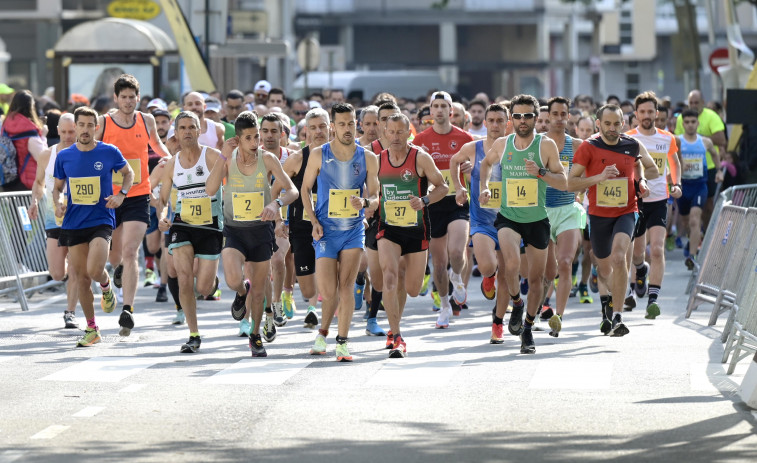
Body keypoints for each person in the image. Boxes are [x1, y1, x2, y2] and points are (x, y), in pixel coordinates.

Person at [478, 94, 566, 354]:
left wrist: (539, 172)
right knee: (512, 264)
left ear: (537, 118)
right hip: (509, 217)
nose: (523, 120)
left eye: (528, 115)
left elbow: (563, 181)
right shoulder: (504, 144)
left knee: (537, 279)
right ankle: (516, 303)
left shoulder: (545, 145)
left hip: (537, 219)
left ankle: (527, 328)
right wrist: (484, 187)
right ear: (511, 119)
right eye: (517, 115)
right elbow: (484, 164)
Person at [206, 111, 297, 357]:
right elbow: (210, 188)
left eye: (257, 136)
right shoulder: (227, 159)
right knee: (233, 280)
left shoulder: (267, 160)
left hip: (260, 231)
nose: (256, 142)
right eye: (249, 137)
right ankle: (240, 292)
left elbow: (292, 190)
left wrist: (275, 204)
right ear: (238, 139)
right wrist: (223, 156)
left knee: (260, 291)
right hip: (235, 230)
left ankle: (255, 335)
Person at [568, 104, 659, 337]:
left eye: (616, 124)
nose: (612, 128)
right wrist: (599, 177)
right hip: (598, 215)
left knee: (620, 256)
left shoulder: (632, 145)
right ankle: (606, 304)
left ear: (624, 124)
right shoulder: (589, 147)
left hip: (626, 210)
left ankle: (618, 316)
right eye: (607, 124)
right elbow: (571, 182)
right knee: (604, 268)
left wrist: (642, 182)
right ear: (599, 124)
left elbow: (651, 168)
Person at [300, 103, 380, 361]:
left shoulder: (368, 157)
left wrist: (366, 203)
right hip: (326, 231)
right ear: (333, 126)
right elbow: (304, 190)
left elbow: (377, 195)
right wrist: (313, 221)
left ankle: (342, 341)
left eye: (351, 123)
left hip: (353, 230)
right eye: (342, 124)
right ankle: (323, 331)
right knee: (329, 290)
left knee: (345, 286)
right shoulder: (318, 154)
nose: (348, 129)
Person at [96, 74, 170, 337]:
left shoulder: (145, 120)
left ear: (138, 98)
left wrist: (173, 160)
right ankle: (115, 272)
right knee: (114, 255)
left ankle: (127, 309)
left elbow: (157, 145)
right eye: (123, 97)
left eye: (132, 97)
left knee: (130, 251)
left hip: (138, 193)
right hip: (110, 196)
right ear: (116, 98)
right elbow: (93, 151)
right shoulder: (103, 123)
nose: (128, 102)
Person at [52, 106, 133, 347]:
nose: (86, 129)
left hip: (101, 219)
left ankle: (106, 286)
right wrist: (57, 203)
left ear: (96, 127)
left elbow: (128, 174)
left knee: (95, 270)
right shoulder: (64, 156)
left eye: (90, 125)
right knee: (81, 277)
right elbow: (57, 187)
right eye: (82, 125)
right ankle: (92, 329)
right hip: (74, 222)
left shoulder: (109, 152)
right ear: (75, 126)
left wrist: (122, 195)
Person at [377, 113, 447, 357]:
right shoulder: (377, 160)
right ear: (385, 132)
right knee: (389, 276)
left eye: (400, 132)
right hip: (388, 227)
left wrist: (424, 200)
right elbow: (371, 192)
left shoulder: (420, 157)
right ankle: (396, 335)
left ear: (409, 132)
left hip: (417, 228)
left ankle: (396, 323)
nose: (395, 136)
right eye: (391, 131)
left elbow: (443, 187)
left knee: (413, 288)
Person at [157, 111, 224, 353]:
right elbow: (164, 198)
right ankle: (193, 333)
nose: (187, 131)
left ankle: (212, 281)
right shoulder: (172, 163)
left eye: (191, 127)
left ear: (199, 131)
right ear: (176, 132)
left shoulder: (213, 157)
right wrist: (163, 217)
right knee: (184, 276)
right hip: (182, 225)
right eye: (182, 127)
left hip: (209, 226)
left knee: (204, 289)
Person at [450, 103, 511, 343]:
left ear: (507, 123)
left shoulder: (515, 148)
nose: (495, 125)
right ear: (484, 123)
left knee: (508, 274)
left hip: (510, 220)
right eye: (491, 120)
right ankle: (488, 276)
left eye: (500, 120)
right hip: (482, 221)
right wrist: (459, 188)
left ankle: (497, 323)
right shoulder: (473, 148)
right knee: (487, 266)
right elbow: (454, 161)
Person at [413, 91, 474, 327]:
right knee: (438, 263)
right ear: (430, 110)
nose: (439, 110)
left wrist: (470, 168)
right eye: (435, 106)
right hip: (433, 203)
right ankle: (445, 306)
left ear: (451, 110)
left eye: (443, 106)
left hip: (457, 200)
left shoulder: (465, 138)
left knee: (457, 253)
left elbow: (477, 172)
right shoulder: (420, 140)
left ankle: (457, 276)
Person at [626, 91, 681, 320]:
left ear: (657, 114)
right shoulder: (627, 138)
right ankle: (640, 271)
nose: (647, 115)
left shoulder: (667, 138)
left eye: (650, 111)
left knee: (656, 249)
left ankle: (653, 300)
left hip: (659, 199)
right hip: (636, 200)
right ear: (636, 114)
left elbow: (674, 163)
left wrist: (677, 184)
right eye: (642, 112)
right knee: (637, 253)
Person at [279, 108, 329, 330]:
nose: (318, 131)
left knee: (330, 276)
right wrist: (278, 220)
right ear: (306, 131)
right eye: (313, 127)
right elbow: (275, 190)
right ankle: (311, 300)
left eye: (322, 126)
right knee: (307, 287)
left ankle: (325, 324)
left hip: (333, 226)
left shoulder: (341, 156)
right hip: (301, 227)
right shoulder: (297, 159)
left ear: (331, 128)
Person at [28, 113, 79, 328]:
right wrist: (35, 201)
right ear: (58, 130)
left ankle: (70, 312)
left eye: (72, 132)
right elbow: (39, 182)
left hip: (79, 219)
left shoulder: (84, 153)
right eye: (64, 132)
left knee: (76, 268)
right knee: (57, 273)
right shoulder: (47, 155)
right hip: (54, 219)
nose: (68, 136)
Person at [542, 96, 585, 337]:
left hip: (568, 209)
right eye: (555, 114)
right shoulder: (538, 144)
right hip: (541, 212)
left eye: (563, 114)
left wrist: (580, 190)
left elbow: (588, 172)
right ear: (548, 117)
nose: (559, 118)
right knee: (547, 271)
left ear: (568, 116)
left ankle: (558, 316)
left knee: (566, 262)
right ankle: (538, 307)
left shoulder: (578, 145)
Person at [674, 90, 726, 230]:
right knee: (686, 211)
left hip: (707, 167)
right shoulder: (681, 118)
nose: (694, 105)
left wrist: (698, 138)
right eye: (691, 102)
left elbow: (722, 139)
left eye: (696, 102)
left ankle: (706, 234)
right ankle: (693, 235)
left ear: (703, 102)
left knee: (708, 204)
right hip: (686, 169)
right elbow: (677, 142)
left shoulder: (711, 116)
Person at [676, 108, 718, 269]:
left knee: (695, 219)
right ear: (683, 123)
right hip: (683, 185)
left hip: (700, 185)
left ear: (698, 123)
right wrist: (679, 168)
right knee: (687, 222)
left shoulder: (705, 141)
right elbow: (670, 160)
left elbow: (714, 154)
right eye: (687, 122)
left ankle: (692, 257)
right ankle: (695, 240)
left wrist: (719, 170)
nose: (690, 125)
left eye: (693, 122)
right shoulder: (677, 141)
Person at [1, 89, 48, 191]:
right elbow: (43, 158)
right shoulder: (30, 131)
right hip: (27, 183)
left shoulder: (5, 126)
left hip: (8, 180)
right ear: (31, 106)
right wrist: (43, 136)